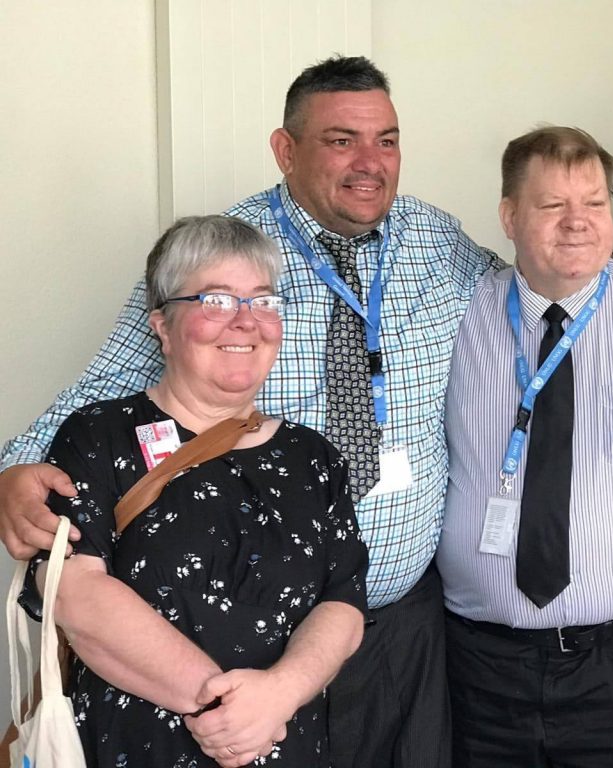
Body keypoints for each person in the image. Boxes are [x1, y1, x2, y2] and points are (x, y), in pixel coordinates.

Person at [0, 56, 498, 768]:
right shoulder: (225, 254)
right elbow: (100, 393)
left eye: (386, 139)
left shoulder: (438, 241)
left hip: (398, 625)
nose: (370, 162)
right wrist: (12, 470)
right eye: (341, 140)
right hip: (243, 649)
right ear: (285, 149)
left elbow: (524, 305)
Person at [23, 215, 368, 767]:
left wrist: (276, 697)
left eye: (262, 301)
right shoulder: (97, 436)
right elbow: (75, 594)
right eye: (216, 300)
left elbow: (344, 602)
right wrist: (225, 709)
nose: (245, 322)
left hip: (282, 740)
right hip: (140, 745)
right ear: (161, 324)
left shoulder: (313, 456)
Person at [438, 126, 613, 767]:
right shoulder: (461, 313)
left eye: (594, 203)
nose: (578, 223)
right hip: (478, 665)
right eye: (552, 206)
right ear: (509, 216)